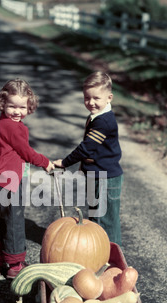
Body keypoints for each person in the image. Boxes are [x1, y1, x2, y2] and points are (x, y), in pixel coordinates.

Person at [0, 78, 54, 278]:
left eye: (22, 107)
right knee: (15, 222)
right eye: (11, 107)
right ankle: (15, 264)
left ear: (29, 106)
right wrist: (45, 162)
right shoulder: (14, 128)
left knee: (5, 221)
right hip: (10, 181)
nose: (17, 112)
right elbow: (26, 152)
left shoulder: (4, 122)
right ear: (3, 104)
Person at [54, 71, 123, 246]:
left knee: (105, 221)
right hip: (96, 175)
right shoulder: (96, 116)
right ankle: (98, 254)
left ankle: (114, 259)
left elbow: (86, 148)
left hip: (106, 177)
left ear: (109, 97)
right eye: (87, 98)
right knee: (95, 217)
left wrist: (65, 162)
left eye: (96, 98)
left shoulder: (104, 122)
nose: (91, 102)